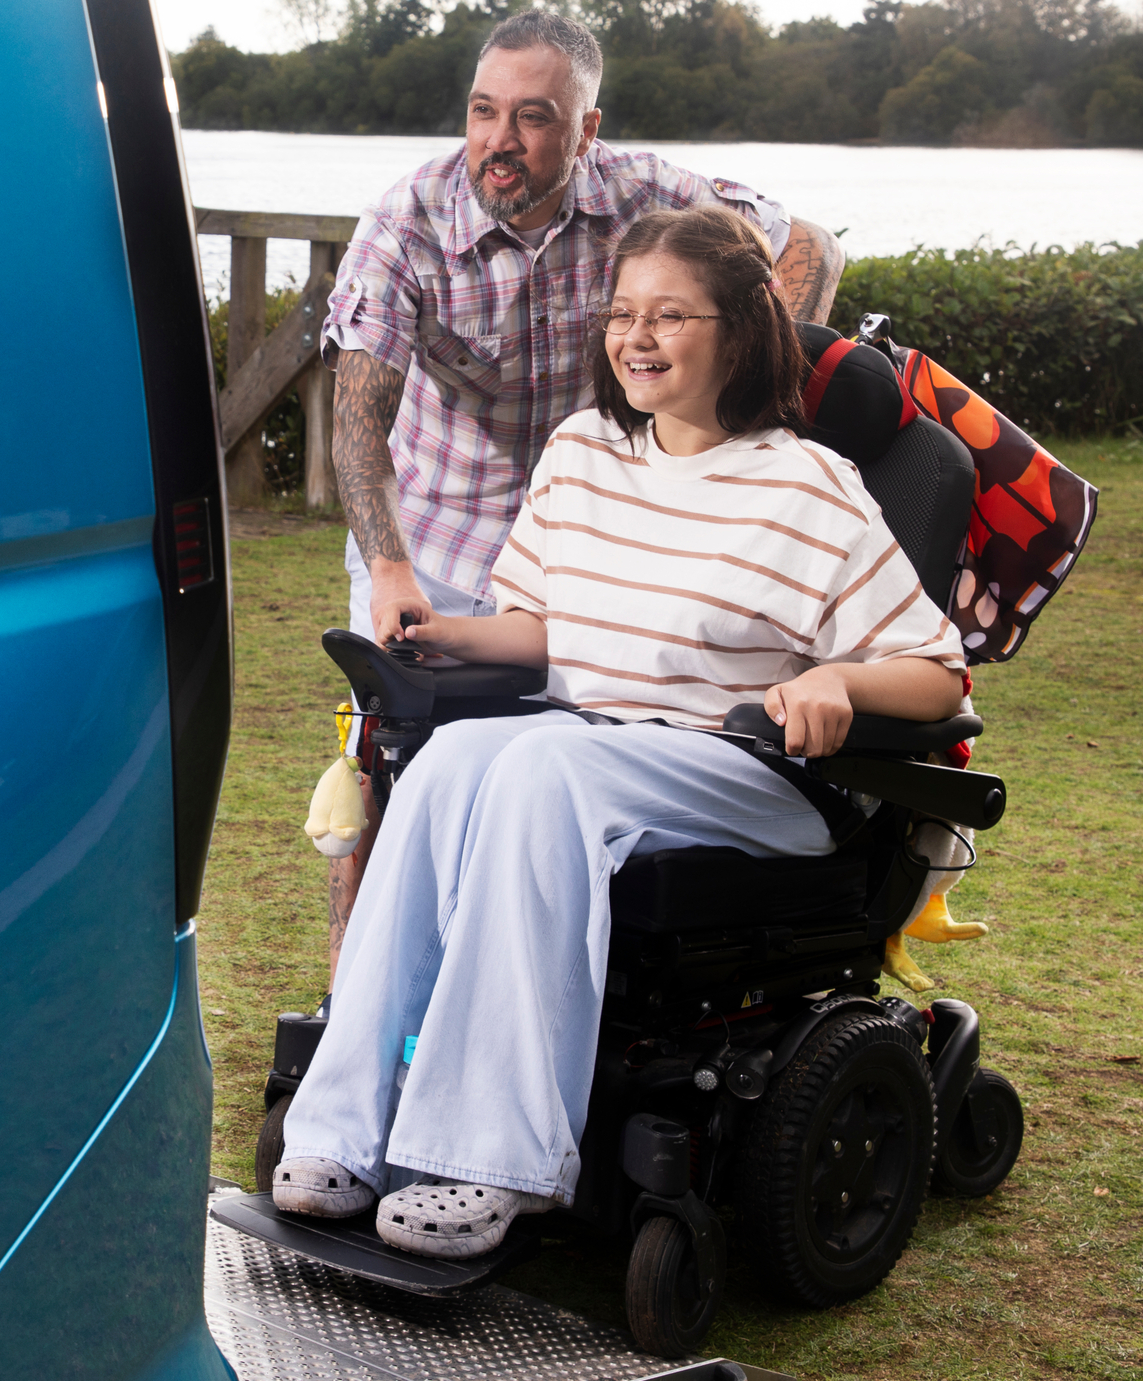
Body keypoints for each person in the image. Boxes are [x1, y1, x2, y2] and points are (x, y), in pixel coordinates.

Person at [274, 206, 966, 1259]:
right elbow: (548, 631)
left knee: (543, 762)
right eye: (621, 315)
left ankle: (487, 1156)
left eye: (668, 315)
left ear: (736, 330)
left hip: (746, 767)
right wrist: (434, 630)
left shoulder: (810, 486)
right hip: (595, 743)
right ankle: (345, 1128)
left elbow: (937, 673)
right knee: (453, 758)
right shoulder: (582, 453)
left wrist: (834, 676)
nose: (636, 336)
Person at [319, 10, 845, 971]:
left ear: (587, 131)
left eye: (531, 118)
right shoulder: (408, 220)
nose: (499, 141)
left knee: (560, 782)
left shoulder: (646, 193)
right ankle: (352, 997)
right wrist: (391, 572)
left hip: (596, 537)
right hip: (433, 537)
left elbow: (805, 243)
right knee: (385, 766)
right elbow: (356, 423)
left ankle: (549, 991)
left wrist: (752, 393)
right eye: (483, 113)